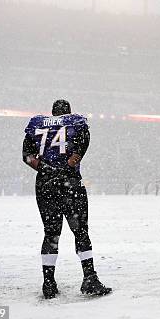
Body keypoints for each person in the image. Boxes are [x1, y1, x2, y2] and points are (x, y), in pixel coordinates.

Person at [22, 99, 112, 299]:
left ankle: (48, 282)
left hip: (44, 185)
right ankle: (89, 278)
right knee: (80, 231)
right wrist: (67, 167)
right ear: (68, 112)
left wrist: (47, 169)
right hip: (69, 183)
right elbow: (81, 147)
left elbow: (27, 156)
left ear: (53, 113)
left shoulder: (38, 125)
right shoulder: (76, 123)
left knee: (51, 233)